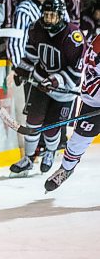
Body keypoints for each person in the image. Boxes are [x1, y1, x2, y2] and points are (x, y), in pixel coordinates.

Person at [9, 0, 86, 175]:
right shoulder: (36, 28)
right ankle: (28, 159)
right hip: (41, 82)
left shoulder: (72, 35)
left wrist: (54, 80)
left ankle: (50, 152)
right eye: (46, 14)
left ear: (60, 15)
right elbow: (31, 53)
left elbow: (76, 70)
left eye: (52, 15)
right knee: (33, 122)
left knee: (52, 128)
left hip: (64, 91)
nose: (48, 19)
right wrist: (21, 71)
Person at [45, 34, 100, 191]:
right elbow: (91, 79)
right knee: (79, 140)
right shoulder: (98, 46)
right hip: (95, 101)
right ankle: (66, 168)